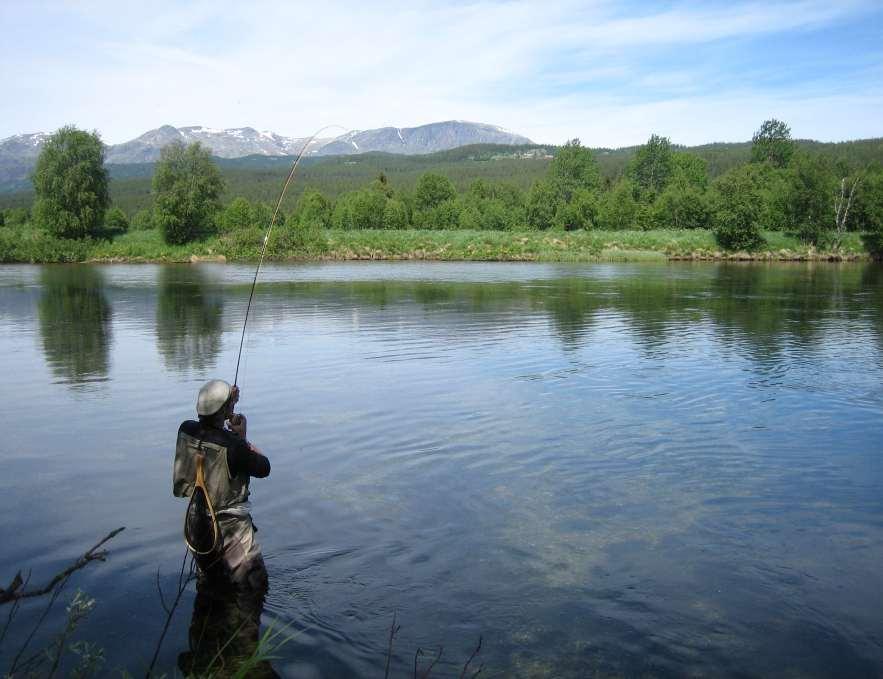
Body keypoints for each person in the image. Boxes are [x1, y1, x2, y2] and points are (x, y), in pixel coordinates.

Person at [173, 379, 271, 590]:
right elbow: (264, 468)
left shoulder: (186, 429)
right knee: (254, 587)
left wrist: (226, 402)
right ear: (225, 410)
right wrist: (242, 437)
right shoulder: (234, 446)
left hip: (197, 524)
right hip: (230, 530)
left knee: (211, 586)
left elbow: (210, 429)